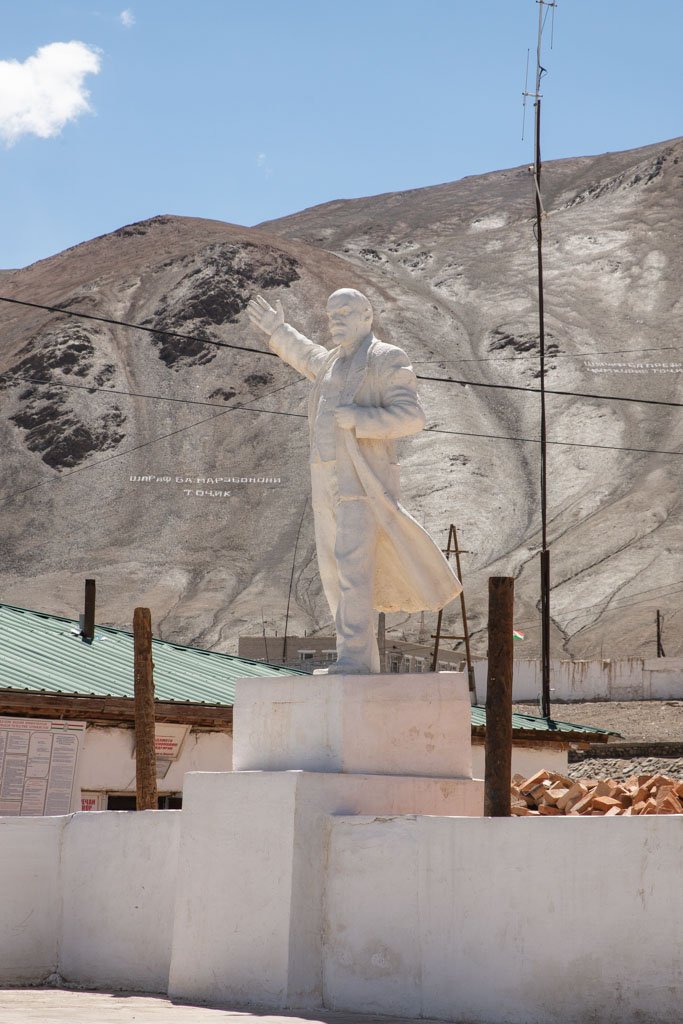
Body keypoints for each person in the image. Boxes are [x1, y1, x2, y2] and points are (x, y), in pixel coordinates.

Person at [247, 288, 461, 675]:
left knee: (353, 568)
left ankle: (356, 659)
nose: (337, 320)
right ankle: (354, 656)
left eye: (346, 311)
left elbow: (411, 417)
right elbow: (307, 355)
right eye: (331, 315)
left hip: (362, 486)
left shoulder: (386, 357)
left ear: (367, 315)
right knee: (334, 571)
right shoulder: (331, 362)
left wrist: (361, 418)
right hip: (325, 482)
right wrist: (279, 331)